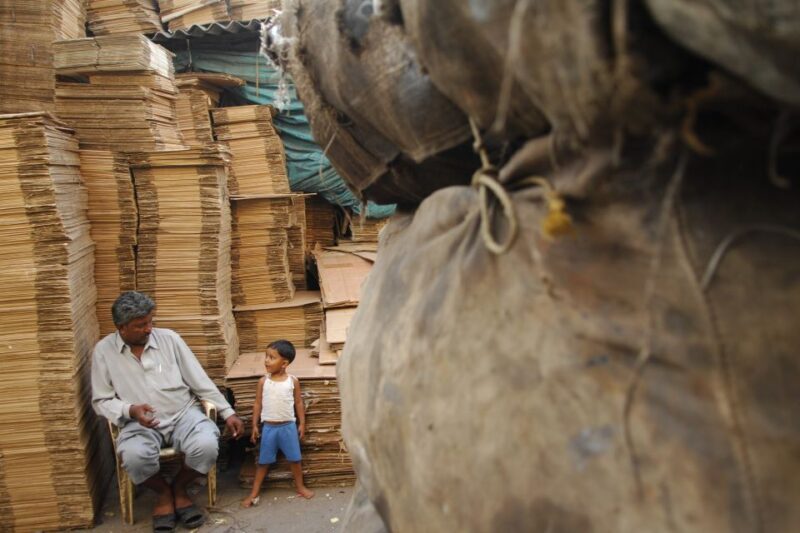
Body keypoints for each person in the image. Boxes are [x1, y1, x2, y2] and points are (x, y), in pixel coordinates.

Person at [91, 291, 245, 532]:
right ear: (121, 327)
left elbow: (199, 381)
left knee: (206, 445)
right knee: (133, 457)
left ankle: (179, 489)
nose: (149, 329)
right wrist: (130, 410)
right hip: (138, 422)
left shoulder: (170, 339)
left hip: (183, 413)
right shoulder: (104, 351)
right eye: (141, 325)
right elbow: (101, 400)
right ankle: (163, 493)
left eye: (150, 321)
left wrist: (228, 412)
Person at [241, 340, 314, 507]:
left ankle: (300, 487)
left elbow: (298, 403)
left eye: (272, 357)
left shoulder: (292, 381)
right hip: (269, 428)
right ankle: (254, 493)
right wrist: (254, 425)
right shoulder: (263, 381)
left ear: (284, 363)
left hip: (288, 427)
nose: (266, 360)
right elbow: (257, 404)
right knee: (263, 462)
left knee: (295, 460)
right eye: (266, 356)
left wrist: (302, 423)